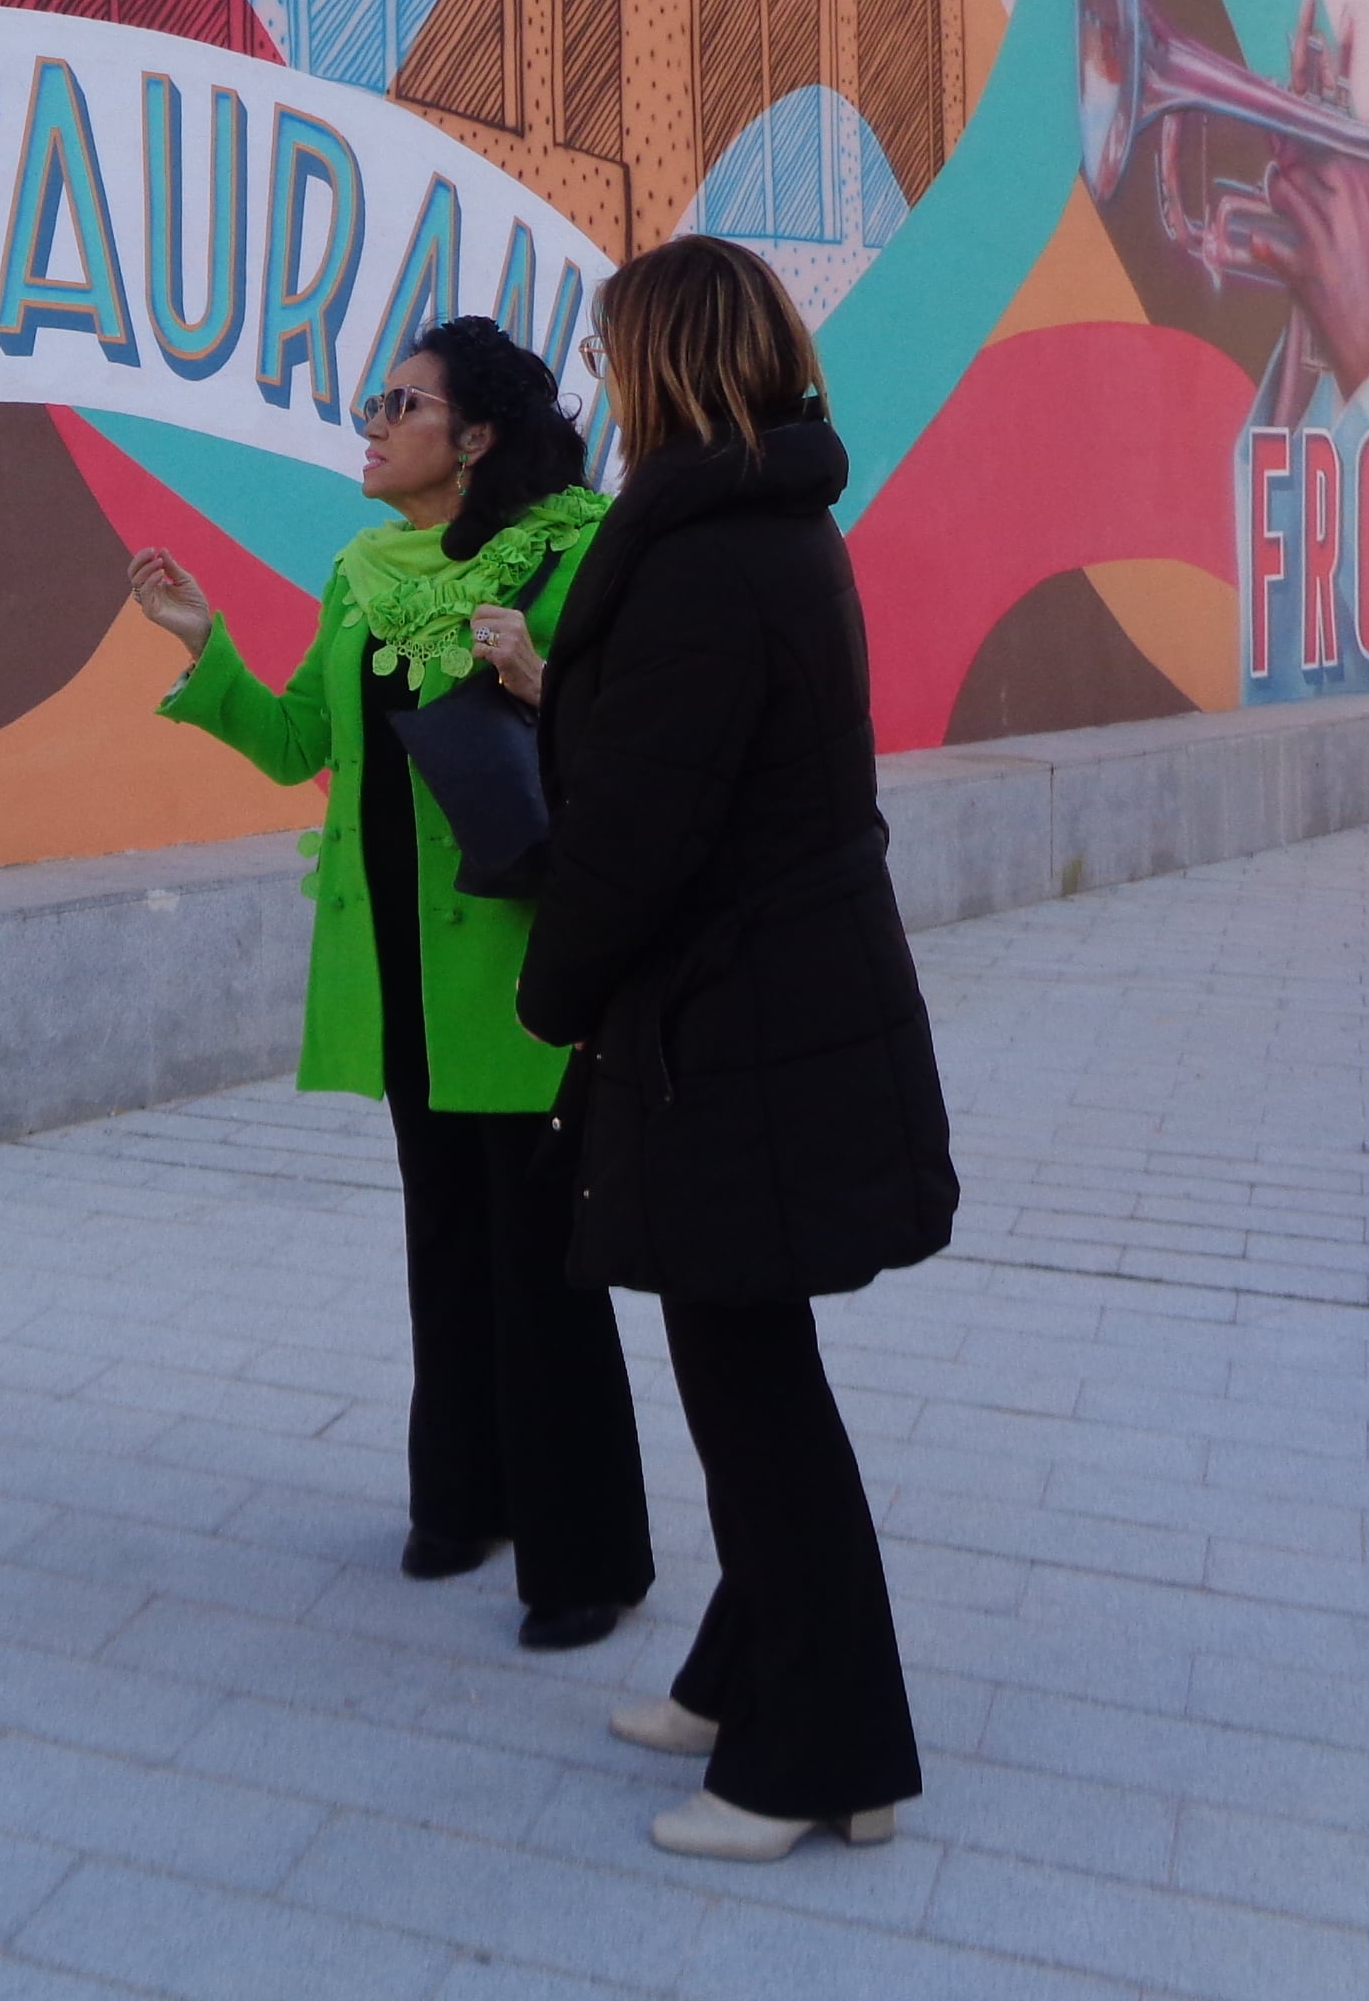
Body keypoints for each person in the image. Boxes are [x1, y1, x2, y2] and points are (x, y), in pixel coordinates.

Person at [518, 235, 957, 1862]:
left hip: (741, 1027)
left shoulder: (711, 559)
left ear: (669, 363)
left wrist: (551, 988)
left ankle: (819, 1757)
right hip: (760, 1009)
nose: (596, 376)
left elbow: (643, 827)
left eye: (612, 347)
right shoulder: (762, 527)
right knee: (742, 1365)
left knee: (751, 1380)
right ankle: (739, 1670)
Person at [126, 315, 654, 1649]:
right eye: (375, 401)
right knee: (446, 1245)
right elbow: (305, 737)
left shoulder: (578, 553)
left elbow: (639, 743)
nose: (369, 422)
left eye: (398, 403)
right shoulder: (362, 571)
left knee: (543, 1265)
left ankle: (586, 1556)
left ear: (473, 437)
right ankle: (463, 1497)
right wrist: (204, 646)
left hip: (527, 971)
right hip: (403, 976)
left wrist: (538, 684)